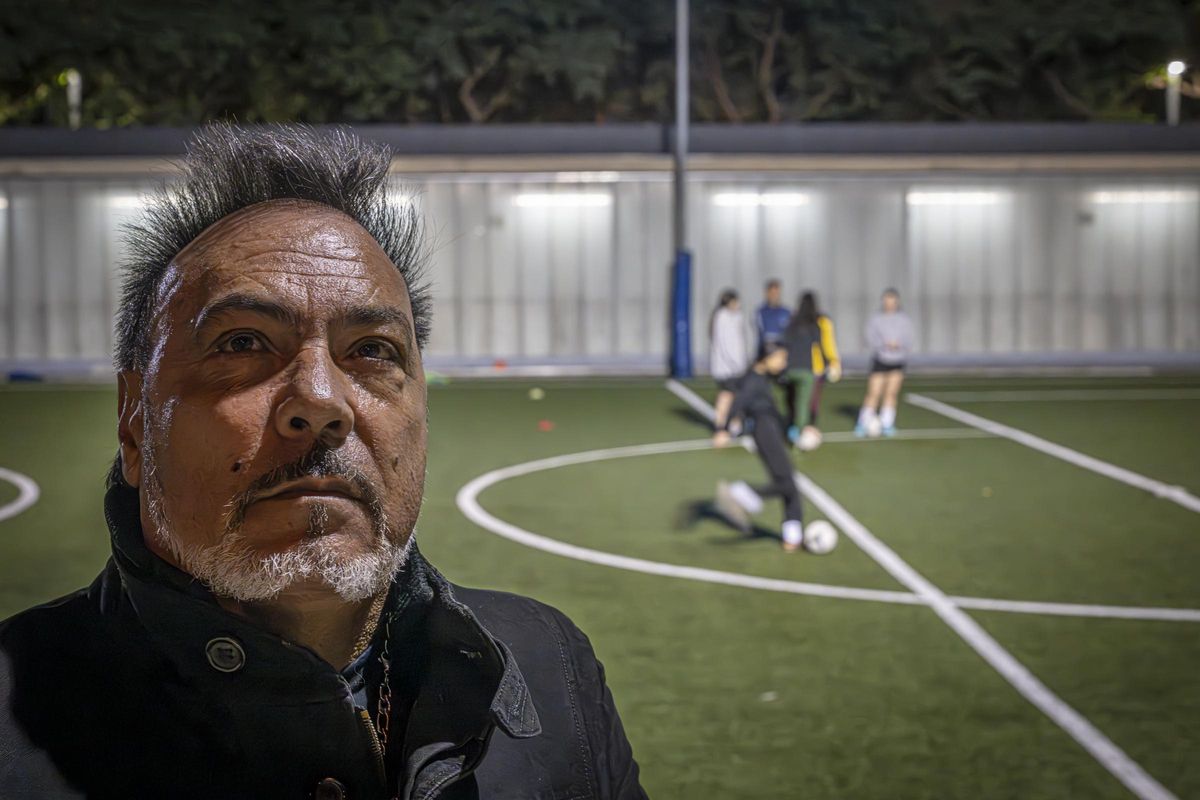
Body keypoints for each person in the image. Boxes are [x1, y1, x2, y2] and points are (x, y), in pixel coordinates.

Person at [0, 125, 645, 800]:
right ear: (134, 424)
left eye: (372, 351)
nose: (320, 400)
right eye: (243, 342)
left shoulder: (548, 666)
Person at [712, 348, 807, 552]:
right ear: (766, 358)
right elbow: (739, 402)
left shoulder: (764, 376)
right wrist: (723, 429)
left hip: (769, 427)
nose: (784, 362)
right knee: (787, 484)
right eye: (781, 358)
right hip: (764, 429)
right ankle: (743, 493)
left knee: (788, 483)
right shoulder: (753, 379)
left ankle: (792, 537)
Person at [780, 292, 841, 448]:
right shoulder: (815, 323)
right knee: (805, 404)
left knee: (792, 401)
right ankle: (800, 433)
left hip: (790, 368)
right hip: (808, 370)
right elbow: (820, 345)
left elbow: (784, 343)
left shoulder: (792, 322)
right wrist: (831, 363)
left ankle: (791, 428)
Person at [856, 287, 915, 438]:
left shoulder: (904, 320)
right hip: (880, 359)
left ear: (897, 302)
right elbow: (870, 338)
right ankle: (863, 423)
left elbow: (908, 339)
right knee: (874, 393)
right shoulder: (876, 319)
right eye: (886, 301)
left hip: (897, 360)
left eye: (892, 301)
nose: (889, 304)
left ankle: (887, 423)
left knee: (891, 393)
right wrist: (884, 345)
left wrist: (898, 344)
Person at [709, 288, 750, 431]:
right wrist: (735, 364)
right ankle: (727, 424)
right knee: (729, 394)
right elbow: (724, 344)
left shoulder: (737, 316)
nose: (738, 304)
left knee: (728, 394)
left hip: (736, 366)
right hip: (726, 367)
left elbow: (740, 340)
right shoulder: (721, 317)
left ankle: (727, 422)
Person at [754, 278, 791, 358]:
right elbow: (761, 335)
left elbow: (789, 335)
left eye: (777, 293)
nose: (774, 296)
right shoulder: (760, 312)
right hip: (765, 353)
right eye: (772, 293)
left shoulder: (786, 312)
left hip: (782, 354)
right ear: (767, 293)